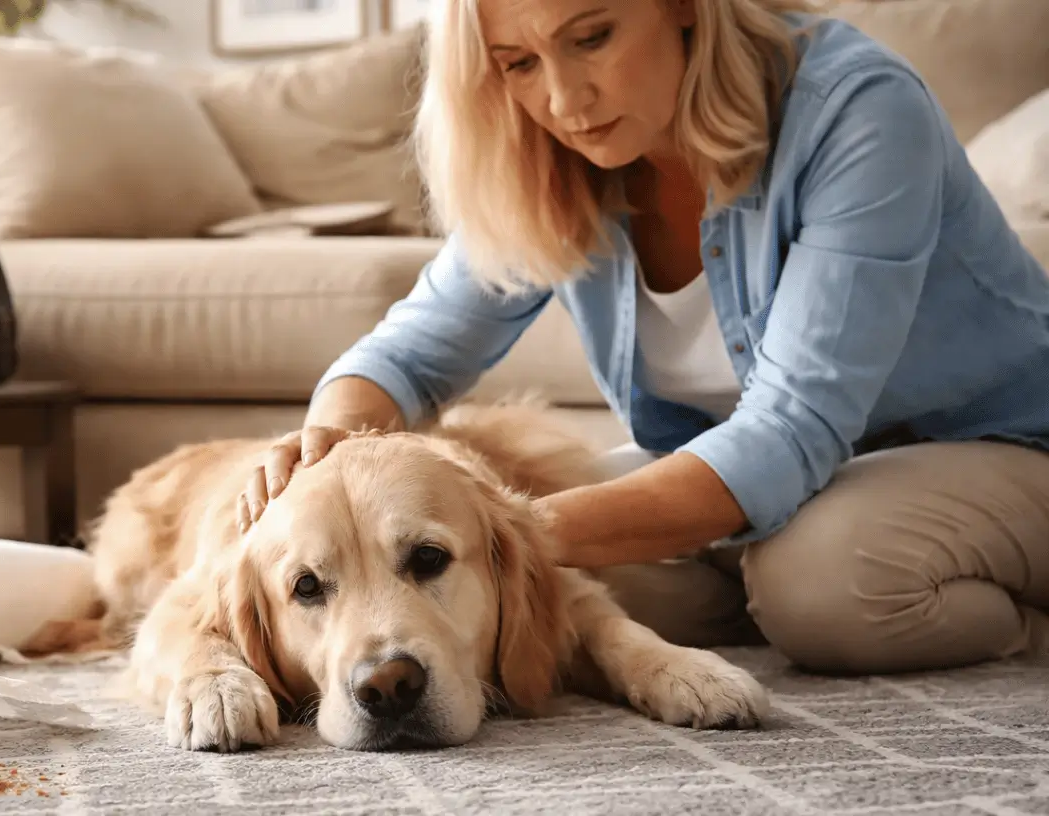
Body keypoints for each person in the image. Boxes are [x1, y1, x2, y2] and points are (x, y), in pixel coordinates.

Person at [236, 0, 1049, 677]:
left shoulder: (857, 108)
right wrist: (325, 450)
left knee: (820, 582)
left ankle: (1023, 627)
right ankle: (780, 592)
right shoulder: (551, 160)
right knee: (571, 597)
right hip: (791, 488)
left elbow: (789, 430)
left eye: (592, 37)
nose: (565, 100)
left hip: (999, 448)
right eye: (519, 63)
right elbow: (407, 357)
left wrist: (506, 536)